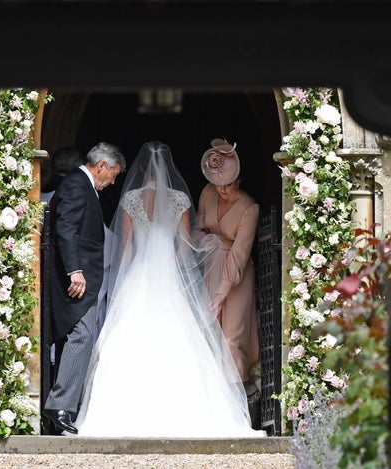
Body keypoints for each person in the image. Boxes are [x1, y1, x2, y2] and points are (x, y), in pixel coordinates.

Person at [75, 141, 264, 438]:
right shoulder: (178, 199)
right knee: (182, 335)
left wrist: (122, 280)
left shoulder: (132, 199)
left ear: (139, 169)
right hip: (168, 272)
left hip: (140, 271)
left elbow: (124, 249)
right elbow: (185, 246)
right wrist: (175, 269)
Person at [43, 142, 126, 435]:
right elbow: (66, 228)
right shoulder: (78, 185)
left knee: (81, 335)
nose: (113, 182)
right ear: (101, 165)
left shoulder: (82, 185)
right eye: (113, 175)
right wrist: (75, 271)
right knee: (82, 334)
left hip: (85, 279)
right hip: (77, 280)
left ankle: (63, 404)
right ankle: (60, 406)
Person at [195, 138, 261, 418]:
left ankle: (239, 407)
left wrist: (223, 293)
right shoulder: (208, 194)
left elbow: (239, 255)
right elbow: (196, 227)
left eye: (227, 183)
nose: (221, 189)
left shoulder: (250, 208)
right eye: (217, 183)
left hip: (235, 276)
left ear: (239, 180)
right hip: (210, 265)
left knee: (233, 337)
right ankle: (212, 403)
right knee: (209, 333)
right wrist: (204, 241)